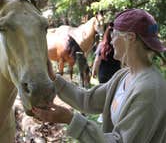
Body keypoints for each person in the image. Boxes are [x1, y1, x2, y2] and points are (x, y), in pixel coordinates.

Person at [32, 9, 166, 143]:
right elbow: (87, 100)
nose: (111, 39)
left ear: (130, 38)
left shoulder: (149, 89)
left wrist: (70, 119)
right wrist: (54, 78)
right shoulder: (124, 75)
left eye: (114, 33)